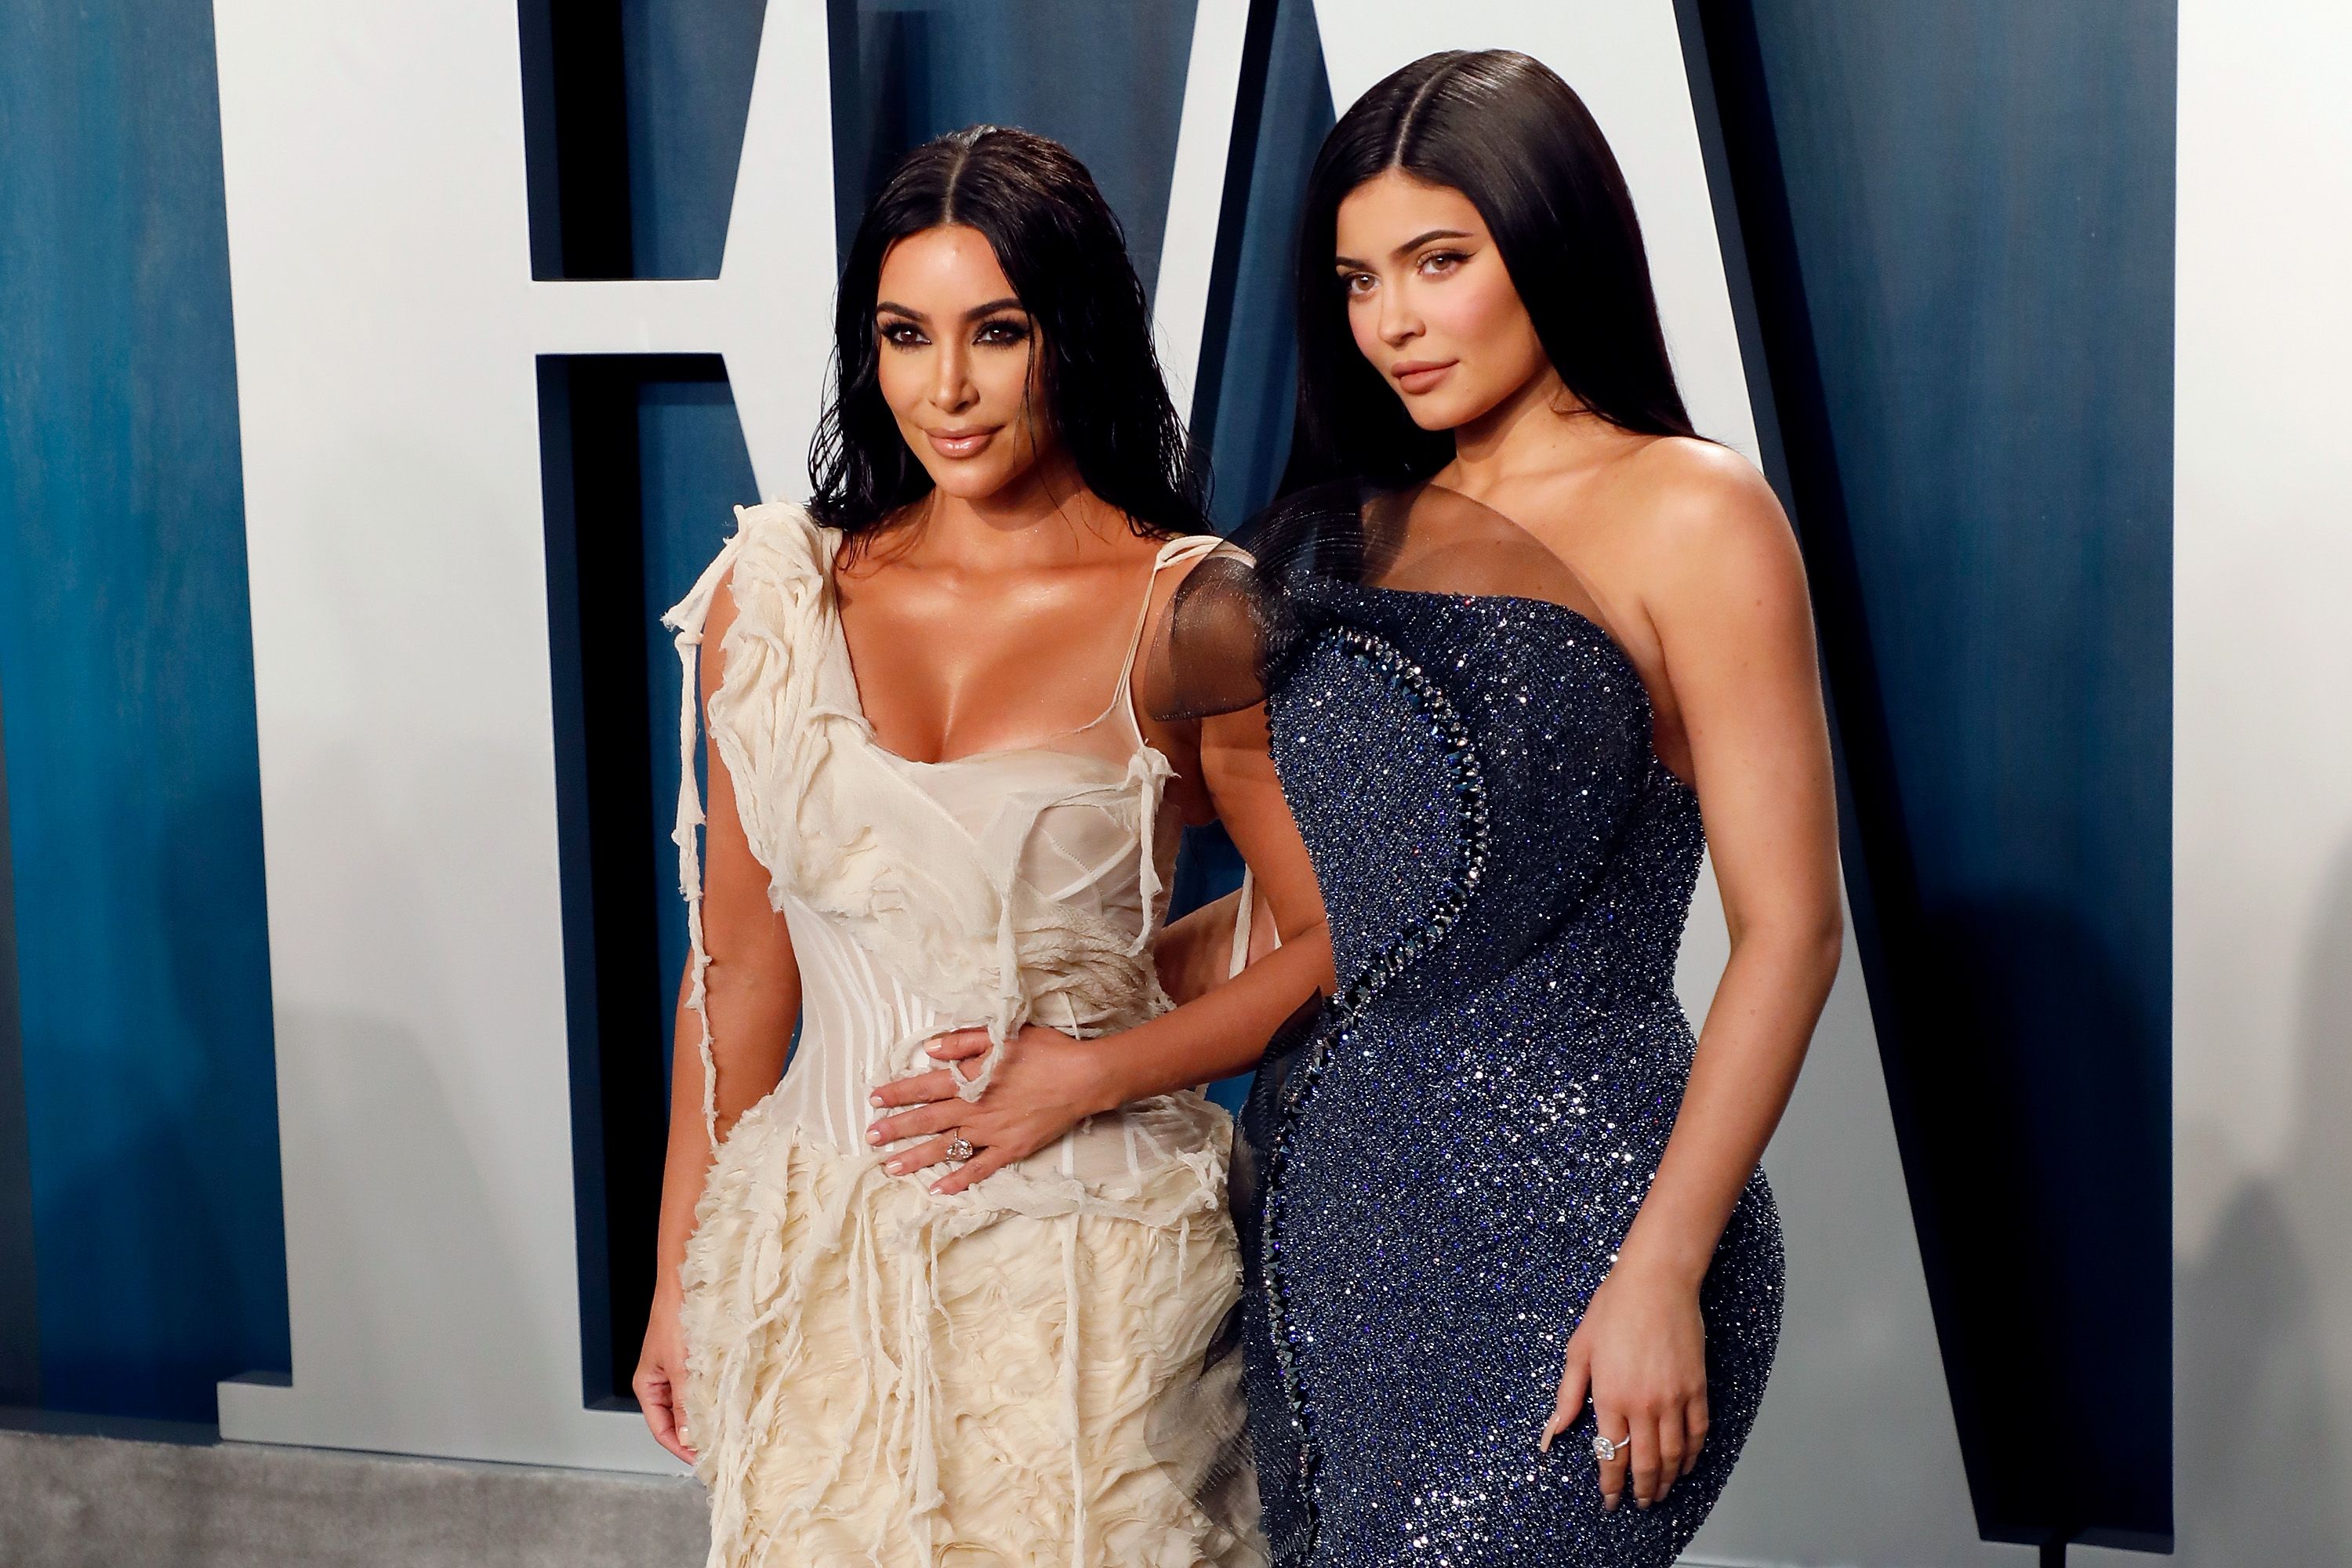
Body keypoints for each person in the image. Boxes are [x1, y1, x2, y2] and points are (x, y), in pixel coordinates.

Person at [886, 51, 1843, 1566]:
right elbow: (1336, 910)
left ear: (1551, 239)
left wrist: (1665, 1266)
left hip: (1587, 1223)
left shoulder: (1693, 511)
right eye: (1357, 280)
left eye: (1439, 262)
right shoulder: (1345, 532)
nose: (1393, 319)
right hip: (1326, 1237)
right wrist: (1063, 1011)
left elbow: (1790, 934)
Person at [631, 125, 1329, 1568]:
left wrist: (1091, 1071)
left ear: (1069, 336)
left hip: (1090, 1257)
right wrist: (677, 1282)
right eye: (904, 336)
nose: (945, 389)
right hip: (812, 1242)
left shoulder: (1190, 608)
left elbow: (1336, 936)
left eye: (995, 333)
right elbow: (736, 974)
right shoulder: (774, 603)